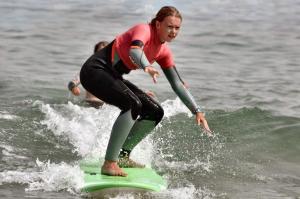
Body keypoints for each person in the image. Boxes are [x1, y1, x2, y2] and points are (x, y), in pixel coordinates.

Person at [79, 6, 212, 177]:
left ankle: (123, 156)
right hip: (94, 70)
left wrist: (197, 111)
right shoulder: (144, 30)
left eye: (177, 28)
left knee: (154, 111)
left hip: (112, 75)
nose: (173, 32)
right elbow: (135, 50)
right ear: (158, 24)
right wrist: (147, 66)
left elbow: (177, 84)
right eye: (169, 26)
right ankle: (109, 164)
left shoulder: (164, 51)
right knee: (132, 104)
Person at [68, 41, 109, 108]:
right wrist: (73, 88)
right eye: (100, 52)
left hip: (107, 109)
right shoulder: (88, 69)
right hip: (89, 105)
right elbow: (71, 83)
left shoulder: (113, 72)